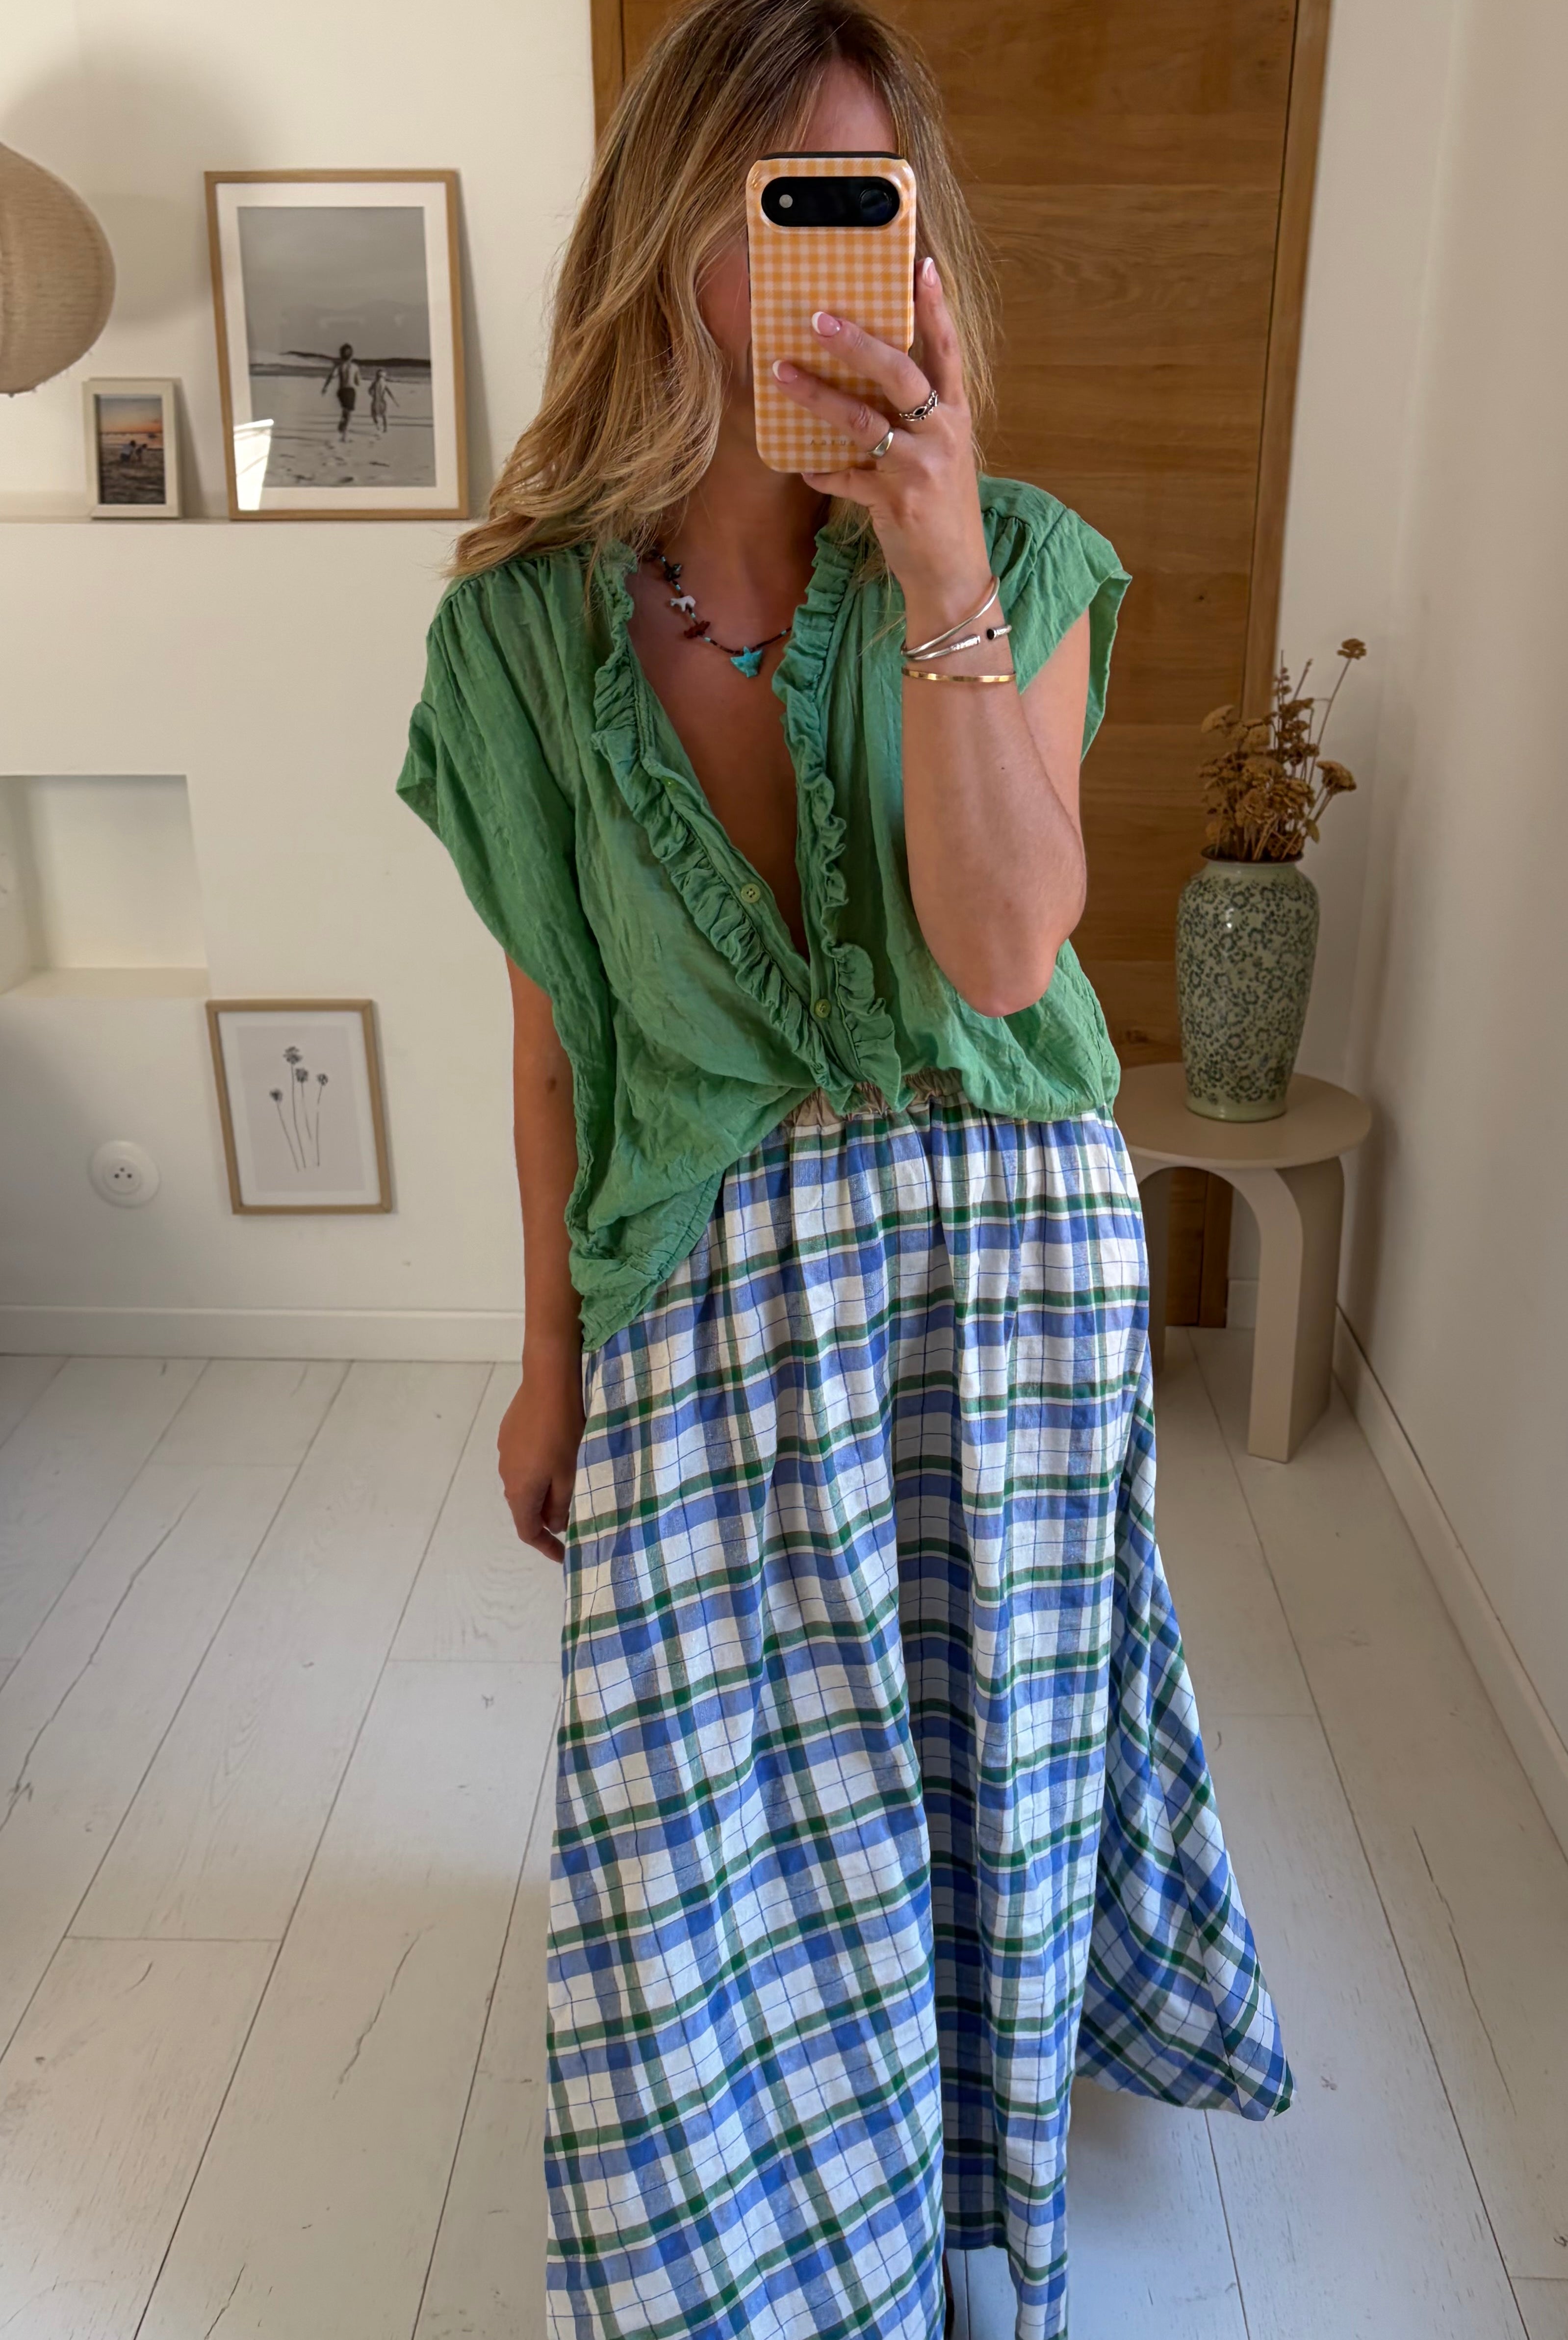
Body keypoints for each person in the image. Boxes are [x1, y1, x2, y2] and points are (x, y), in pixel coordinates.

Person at [396, 3, 1292, 2336]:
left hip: (1006, 1280)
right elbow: (556, 1035)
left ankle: (971, 2214)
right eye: (777, 204)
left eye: (866, 207)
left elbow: (1002, 956)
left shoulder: (1019, 560)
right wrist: (545, 1355)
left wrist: (938, 569)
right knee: (707, 1825)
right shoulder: (519, 636)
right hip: (707, 1297)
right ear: (663, 237)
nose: (834, 265)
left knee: (980, 1776)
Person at [321, 342, 361, 437]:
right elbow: (358, 383)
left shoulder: (339, 367)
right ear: (352, 355)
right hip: (350, 390)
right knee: (350, 414)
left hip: (341, 391)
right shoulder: (355, 367)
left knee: (345, 410)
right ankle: (345, 435)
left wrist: (325, 387)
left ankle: (342, 425)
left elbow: (331, 377)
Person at [368, 365, 396, 433]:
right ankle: (385, 428)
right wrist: (394, 400)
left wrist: (372, 394)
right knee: (384, 415)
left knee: (374, 414)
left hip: (376, 400)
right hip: (383, 401)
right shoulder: (384, 383)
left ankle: (378, 425)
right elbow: (389, 392)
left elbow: (369, 390)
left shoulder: (375, 383)